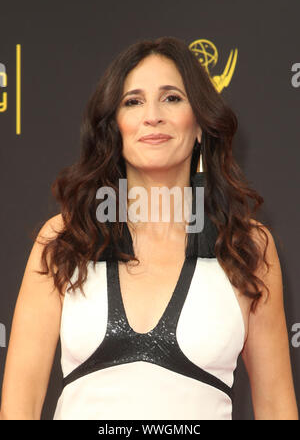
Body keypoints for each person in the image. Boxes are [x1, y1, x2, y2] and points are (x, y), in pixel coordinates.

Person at [0, 36, 298, 420]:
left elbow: (276, 407)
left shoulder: (247, 246)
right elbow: (18, 404)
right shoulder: (64, 238)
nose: (152, 115)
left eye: (172, 98)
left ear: (200, 126)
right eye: (133, 101)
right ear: (115, 127)